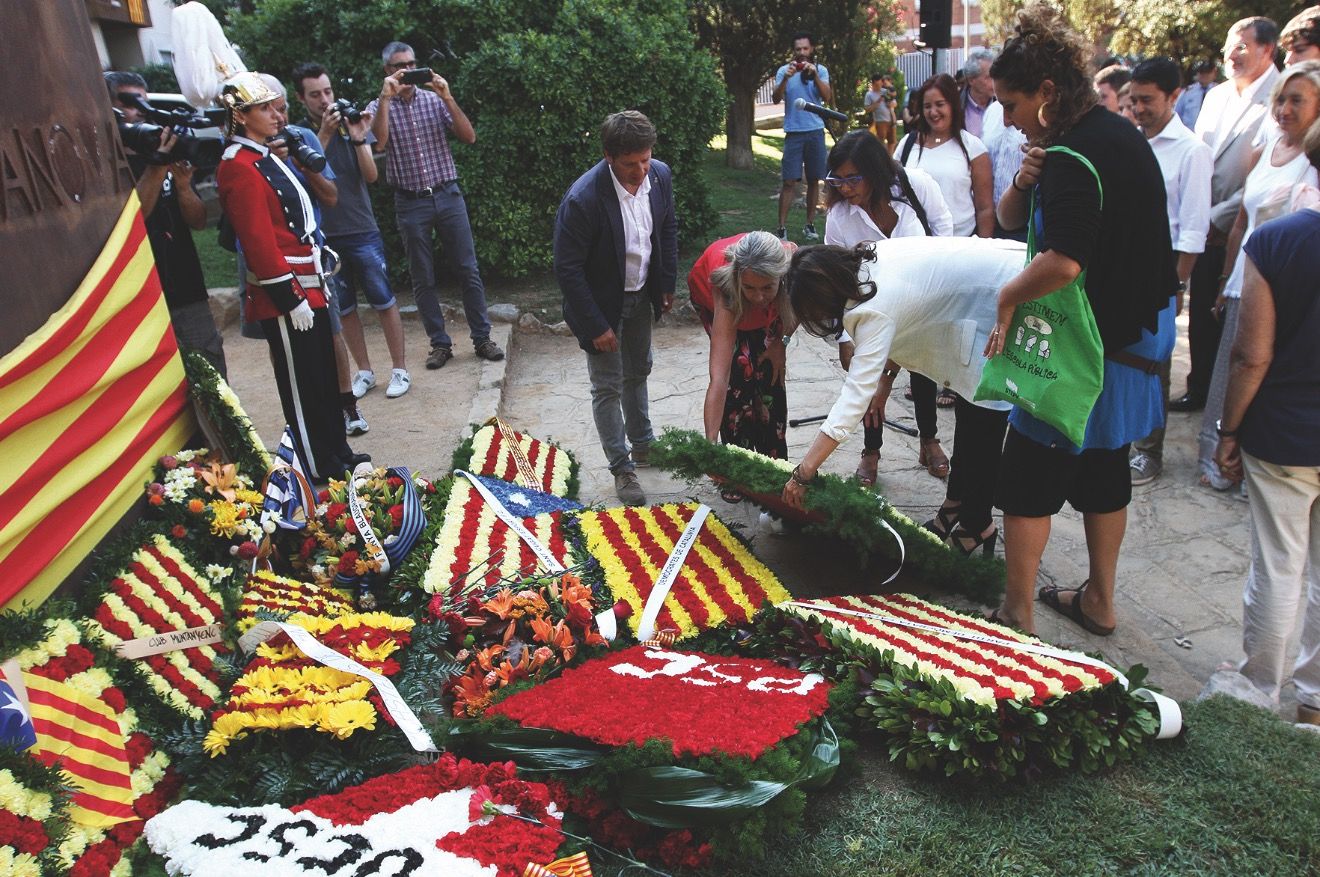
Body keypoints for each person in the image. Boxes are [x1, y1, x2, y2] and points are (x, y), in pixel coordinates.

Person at [984, 3, 1177, 637]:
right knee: (1103, 467)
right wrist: (1027, 172)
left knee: (1026, 478)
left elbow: (1063, 262)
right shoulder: (1111, 132)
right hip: (1130, 342)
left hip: (1080, 349)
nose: (1005, 118)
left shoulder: (1072, 154)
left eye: (1010, 104)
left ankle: (1017, 609)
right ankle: (1100, 598)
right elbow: (1015, 219)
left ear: (1045, 93)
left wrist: (1007, 297)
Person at [779, 237, 1024, 558]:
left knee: (986, 416)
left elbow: (854, 399)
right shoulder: (864, 266)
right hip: (985, 289)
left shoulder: (872, 309)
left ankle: (978, 524)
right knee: (971, 404)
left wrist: (804, 471)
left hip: (1008, 291)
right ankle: (956, 504)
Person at [1212, 127, 1320, 727]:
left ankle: (1260, 685)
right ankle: (1316, 702)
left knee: (1279, 563)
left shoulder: (1276, 241)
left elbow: (1250, 355)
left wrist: (1229, 430)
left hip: (1286, 432)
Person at [216, 72, 367, 481]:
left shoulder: (263, 156)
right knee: (302, 387)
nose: (276, 115)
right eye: (265, 108)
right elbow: (259, 241)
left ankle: (337, 450)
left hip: (311, 283)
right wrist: (290, 296)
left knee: (320, 375)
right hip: (286, 294)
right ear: (242, 116)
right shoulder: (237, 165)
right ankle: (318, 465)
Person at [1199, 61, 1320, 491]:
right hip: (1247, 279)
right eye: (1280, 99)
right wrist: (1225, 278)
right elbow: (1241, 221)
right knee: (1233, 370)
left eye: (1297, 100)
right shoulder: (1264, 147)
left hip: (1292, 286)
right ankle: (1219, 461)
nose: (1285, 109)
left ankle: (1262, 470)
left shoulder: (1314, 160)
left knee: (1270, 374)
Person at [554, 111, 677, 506]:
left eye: (645, 158)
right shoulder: (583, 199)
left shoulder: (659, 175)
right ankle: (622, 467)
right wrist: (595, 325)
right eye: (630, 163)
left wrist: (666, 284)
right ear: (608, 156)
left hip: (642, 294)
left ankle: (643, 444)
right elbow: (568, 269)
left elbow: (667, 228)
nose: (642, 170)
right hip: (601, 304)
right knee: (607, 384)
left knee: (639, 369)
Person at [821, 130, 953, 486]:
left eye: (853, 178)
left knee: (922, 369)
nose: (845, 188)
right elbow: (839, 278)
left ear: (876, 170)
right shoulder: (840, 217)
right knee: (867, 378)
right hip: (872, 305)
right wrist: (844, 337)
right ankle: (871, 451)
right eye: (838, 179)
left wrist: (887, 374)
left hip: (925, 296)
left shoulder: (916, 187)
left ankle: (929, 440)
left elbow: (944, 238)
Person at [366, 41, 504, 370]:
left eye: (413, 64)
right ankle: (440, 344)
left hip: (447, 193)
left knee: (468, 269)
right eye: (401, 66)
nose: (409, 70)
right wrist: (385, 98)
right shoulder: (377, 105)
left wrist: (448, 96)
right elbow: (378, 143)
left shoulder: (433, 100)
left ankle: (482, 338)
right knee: (422, 276)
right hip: (410, 200)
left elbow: (469, 136)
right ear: (388, 71)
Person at [1176, 17, 1280, 413]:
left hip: (1247, 228)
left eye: (1241, 47)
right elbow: (1199, 160)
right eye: (1228, 48)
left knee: (1241, 323)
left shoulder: (1280, 95)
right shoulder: (1216, 95)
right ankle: (1199, 388)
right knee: (1203, 314)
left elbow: (1265, 175)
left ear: (1267, 49)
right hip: (1204, 228)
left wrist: (1213, 220)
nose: (1231, 56)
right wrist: (1197, 219)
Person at [293, 63, 410, 402]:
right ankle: (365, 371)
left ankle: (399, 369)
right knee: (344, 309)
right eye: (315, 95)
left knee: (384, 300)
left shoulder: (350, 125)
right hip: (326, 236)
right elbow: (302, 178)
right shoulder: (300, 135)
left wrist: (358, 137)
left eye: (327, 92)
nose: (324, 100)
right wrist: (324, 136)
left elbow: (371, 176)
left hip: (362, 229)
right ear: (301, 98)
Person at [1126, 58, 1213, 487]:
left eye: (1147, 100)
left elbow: (1194, 228)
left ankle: (1149, 451)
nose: (1138, 108)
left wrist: (1177, 284)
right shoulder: (1131, 142)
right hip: (1125, 267)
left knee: (1154, 363)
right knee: (1124, 355)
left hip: (1163, 274)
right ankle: (1122, 435)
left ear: (1173, 96)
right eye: (1133, 100)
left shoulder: (1192, 151)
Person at [105, 71, 227, 377]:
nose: (136, 111)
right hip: (139, 297)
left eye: (142, 103)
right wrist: (159, 165)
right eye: (127, 102)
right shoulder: (108, 165)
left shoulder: (167, 153)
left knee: (214, 379)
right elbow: (134, 219)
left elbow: (198, 221)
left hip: (187, 290)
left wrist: (184, 186)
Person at [690, 232, 795, 479]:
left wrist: (781, 342)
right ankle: (737, 465)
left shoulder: (794, 266)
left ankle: (774, 463)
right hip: (723, 301)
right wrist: (710, 446)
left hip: (770, 296)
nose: (758, 297)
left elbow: (800, 306)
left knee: (770, 375)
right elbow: (719, 377)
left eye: (767, 287)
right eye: (750, 288)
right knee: (739, 373)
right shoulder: (724, 284)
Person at [896, 74, 994, 239]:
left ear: (953, 105)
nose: (933, 112)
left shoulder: (973, 147)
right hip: (915, 246)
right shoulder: (907, 144)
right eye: (927, 106)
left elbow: (985, 208)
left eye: (940, 104)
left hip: (960, 246)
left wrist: (983, 247)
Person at [772, 31, 833, 243]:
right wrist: (786, 78)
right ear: (793, 51)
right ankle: (781, 227)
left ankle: (809, 224)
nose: (802, 53)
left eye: (805, 49)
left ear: (812, 49)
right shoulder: (784, 71)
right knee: (789, 181)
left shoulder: (821, 70)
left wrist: (815, 74)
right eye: (798, 49)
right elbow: (775, 98)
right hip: (793, 133)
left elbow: (827, 96)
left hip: (815, 131)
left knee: (815, 180)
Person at [960, 49, 998, 138]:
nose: (994, 81)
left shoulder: (1002, 105)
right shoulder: (956, 107)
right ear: (971, 80)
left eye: (995, 76)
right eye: (989, 77)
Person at [1175, 60, 1218, 130]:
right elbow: (1176, 114)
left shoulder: (1220, 92)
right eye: (1201, 72)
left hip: (1212, 137)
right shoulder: (1187, 92)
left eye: (1208, 72)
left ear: (1214, 74)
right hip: (1189, 136)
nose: (1204, 75)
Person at [865, 74, 896, 153]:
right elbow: (867, 109)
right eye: (877, 85)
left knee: (892, 142)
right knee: (880, 143)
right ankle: (881, 160)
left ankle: (890, 160)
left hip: (891, 120)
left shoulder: (885, 91)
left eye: (880, 84)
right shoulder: (869, 94)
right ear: (873, 84)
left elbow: (895, 102)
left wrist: (892, 104)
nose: (879, 86)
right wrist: (877, 102)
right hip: (880, 121)